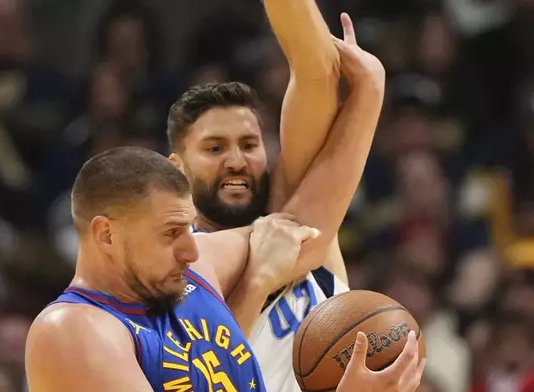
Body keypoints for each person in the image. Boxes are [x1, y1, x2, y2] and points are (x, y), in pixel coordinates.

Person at [24, 147, 425, 392]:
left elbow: (308, 229)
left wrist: (368, 91)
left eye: (189, 227)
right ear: (106, 235)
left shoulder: (196, 272)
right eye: (171, 232)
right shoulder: (72, 330)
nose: (191, 248)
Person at [167, 5, 380, 391]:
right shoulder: (178, 262)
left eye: (249, 145)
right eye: (214, 149)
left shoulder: (298, 213)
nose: (236, 161)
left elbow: (315, 72)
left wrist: (369, 86)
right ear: (177, 167)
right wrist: (369, 92)